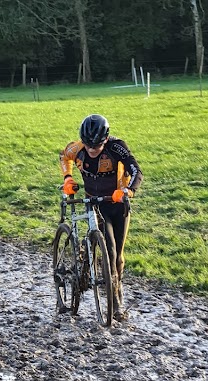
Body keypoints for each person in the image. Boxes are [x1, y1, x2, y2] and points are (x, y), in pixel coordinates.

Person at [59, 114, 143, 320]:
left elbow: (136, 170)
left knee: (118, 257)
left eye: (96, 147)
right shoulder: (76, 148)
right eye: (88, 146)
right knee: (110, 251)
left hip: (117, 203)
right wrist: (68, 178)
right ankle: (114, 304)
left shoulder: (116, 147)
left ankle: (117, 290)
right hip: (95, 203)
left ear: (105, 140)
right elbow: (64, 157)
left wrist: (128, 191)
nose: (91, 150)